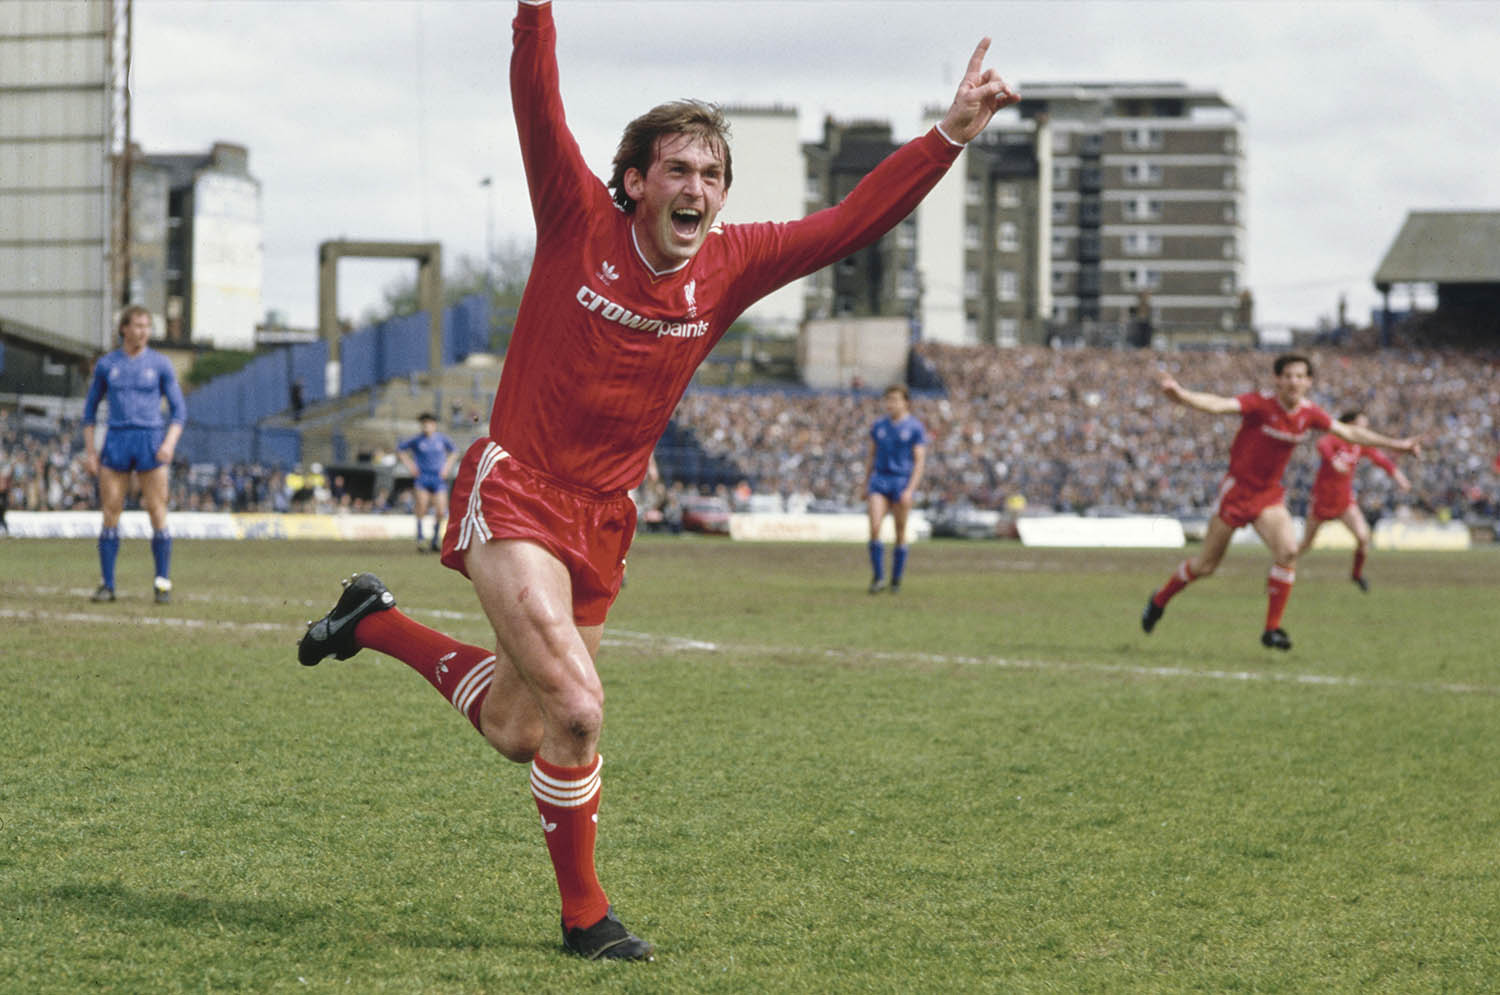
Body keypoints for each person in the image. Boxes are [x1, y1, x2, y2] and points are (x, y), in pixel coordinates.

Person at [296, 0, 1018, 963]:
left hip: (603, 519)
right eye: (678, 169)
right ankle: (585, 918)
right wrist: (534, 13)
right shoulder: (576, 217)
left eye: (711, 175)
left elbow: (850, 223)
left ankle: (372, 620)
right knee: (579, 709)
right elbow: (539, 103)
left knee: (518, 725)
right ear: (636, 181)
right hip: (518, 491)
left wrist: (948, 135)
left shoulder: (729, 265)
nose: (697, 188)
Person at [1140, 354, 1419, 650]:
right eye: (1287, 376)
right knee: (1205, 566)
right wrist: (1182, 395)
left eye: (1300, 376)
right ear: (1277, 380)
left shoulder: (1309, 413)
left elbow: (1349, 431)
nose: (1293, 382)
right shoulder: (1260, 404)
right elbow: (1220, 404)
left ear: (1308, 382)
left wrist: (1397, 445)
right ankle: (1159, 600)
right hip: (1236, 493)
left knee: (1288, 552)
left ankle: (1272, 629)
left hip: (1268, 496)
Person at [81, 305, 187, 604]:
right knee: (111, 511)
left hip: (150, 440)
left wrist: (169, 444)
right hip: (117, 439)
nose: (143, 331)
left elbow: (179, 411)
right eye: (138, 325)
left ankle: (162, 583)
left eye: (147, 326)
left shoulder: (161, 364)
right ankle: (107, 584)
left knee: (156, 510)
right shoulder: (107, 365)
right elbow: (89, 412)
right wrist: (91, 452)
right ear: (124, 329)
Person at [1297, 410, 1411, 591]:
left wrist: (1399, 476)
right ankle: (1283, 565)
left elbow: (1380, 459)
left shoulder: (1359, 445)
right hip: (1323, 500)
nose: (1365, 430)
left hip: (1344, 502)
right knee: (1306, 544)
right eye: (1361, 425)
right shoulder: (1335, 439)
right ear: (1350, 425)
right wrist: (1333, 460)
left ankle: (1356, 575)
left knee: (1363, 537)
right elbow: (1322, 444)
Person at [864, 384, 928, 593]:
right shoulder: (878, 426)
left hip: (901, 481)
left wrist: (910, 489)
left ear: (905, 402)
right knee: (875, 527)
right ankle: (878, 577)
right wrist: (865, 483)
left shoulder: (915, 427)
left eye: (895, 399)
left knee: (900, 532)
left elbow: (919, 462)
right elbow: (871, 456)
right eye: (888, 399)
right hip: (880, 480)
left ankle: (896, 579)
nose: (890, 403)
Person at [396, 412, 457, 552]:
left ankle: (435, 540)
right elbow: (400, 450)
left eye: (428, 423)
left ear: (434, 425)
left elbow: (454, 452)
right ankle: (420, 537)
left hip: (438, 478)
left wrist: (447, 467)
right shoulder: (417, 440)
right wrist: (411, 466)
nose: (425, 426)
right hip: (423, 478)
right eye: (423, 424)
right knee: (422, 507)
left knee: (441, 511)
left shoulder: (441, 439)